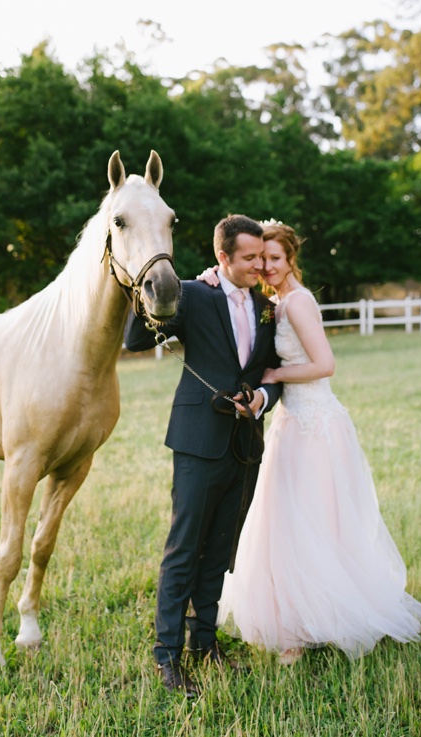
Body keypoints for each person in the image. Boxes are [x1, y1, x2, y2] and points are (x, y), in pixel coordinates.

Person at [201, 222, 421, 664]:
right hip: (292, 422)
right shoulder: (274, 303)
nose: (266, 266)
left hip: (317, 424)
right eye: (260, 258)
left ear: (290, 260)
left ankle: (320, 618)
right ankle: (293, 622)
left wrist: (275, 375)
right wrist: (212, 275)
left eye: (275, 258)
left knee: (315, 519)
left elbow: (325, 364)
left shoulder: (299, 303)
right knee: (287, 520)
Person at [124, 214, 282, 697]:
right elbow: (134, 339)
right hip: (196, 441)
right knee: (184, 550)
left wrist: (262, 399)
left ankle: (205, 643)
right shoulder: (195, 294)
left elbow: (269, 370)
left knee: (220, 550)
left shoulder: (266, 308)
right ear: (223, 257)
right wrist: (168, 287)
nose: (260, 265)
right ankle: (167, 657)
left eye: (262, 256)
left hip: (245, 444)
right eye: (250, 257)